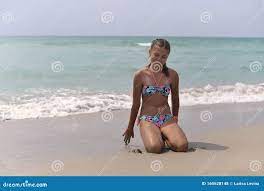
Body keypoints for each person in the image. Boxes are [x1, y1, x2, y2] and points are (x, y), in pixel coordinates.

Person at [122, 38, 188, 154]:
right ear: (149, 52)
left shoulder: (172, 75)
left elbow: (175, 99)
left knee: (182, 146)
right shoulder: (140, 75)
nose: (159, 59)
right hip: (147, 119)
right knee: (155, 148)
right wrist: (130, 127)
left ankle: (164, 135)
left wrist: (175, 117)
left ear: (167, 57)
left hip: (166, 117)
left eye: (164, 57)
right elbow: (136, 104)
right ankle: (157, 135)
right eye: (156, 55)